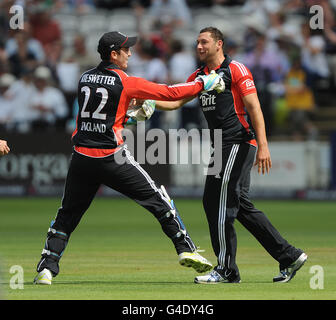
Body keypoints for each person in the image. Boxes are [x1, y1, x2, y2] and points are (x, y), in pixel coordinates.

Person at [33, 31, 225, 285]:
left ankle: (47, 268)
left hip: (81, 157)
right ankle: (185, 248)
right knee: (158, 199)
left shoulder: (84, 78)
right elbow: (169, 93)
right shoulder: (126, 81)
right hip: (112, 158)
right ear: (114, 54)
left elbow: (95, 117)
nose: (130, 53)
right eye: (126, 50)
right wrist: (204, 83)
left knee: (67, 214)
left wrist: (131, 117)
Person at [152, 27, 307, 284]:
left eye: (204, 42)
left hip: (238, 142)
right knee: (236, 205)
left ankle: (226, 270)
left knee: (219, 204)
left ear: (219, 44)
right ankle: (289, 255)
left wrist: (264, 145)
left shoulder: (236, 69)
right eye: (197, 42)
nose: (199, 46)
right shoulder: (199, 76)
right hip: (221, 146)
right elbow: (175, 101)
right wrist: (147, 101)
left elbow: (254, 106)